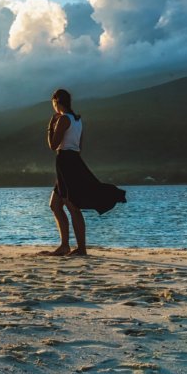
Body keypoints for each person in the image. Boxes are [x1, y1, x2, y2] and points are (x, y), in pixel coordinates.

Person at [43, 88, 126, 256]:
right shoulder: (77, 120)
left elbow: (53, 145)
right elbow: (79, 148)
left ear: (56, 101)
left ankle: (81, 248)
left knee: (72, 206)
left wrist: (50, 127)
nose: (53, 106)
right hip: (73, 160)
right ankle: (65, 245)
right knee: (55, 205)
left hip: (65, 162)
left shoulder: (63, 119)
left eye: (53, 103)